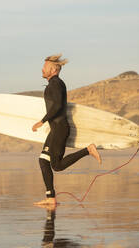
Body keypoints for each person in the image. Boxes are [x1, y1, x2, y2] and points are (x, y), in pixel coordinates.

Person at [32, 54, 102, 206]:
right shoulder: (55, 83)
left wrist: (42, 121)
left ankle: (88, 150)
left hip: (59, 129)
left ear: (53, 69)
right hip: (56, 129)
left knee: (56, 165)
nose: (42, 70)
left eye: (45, 67)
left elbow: (57, 106)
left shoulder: (55, 83)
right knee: (44, 161)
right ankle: (50, 197)